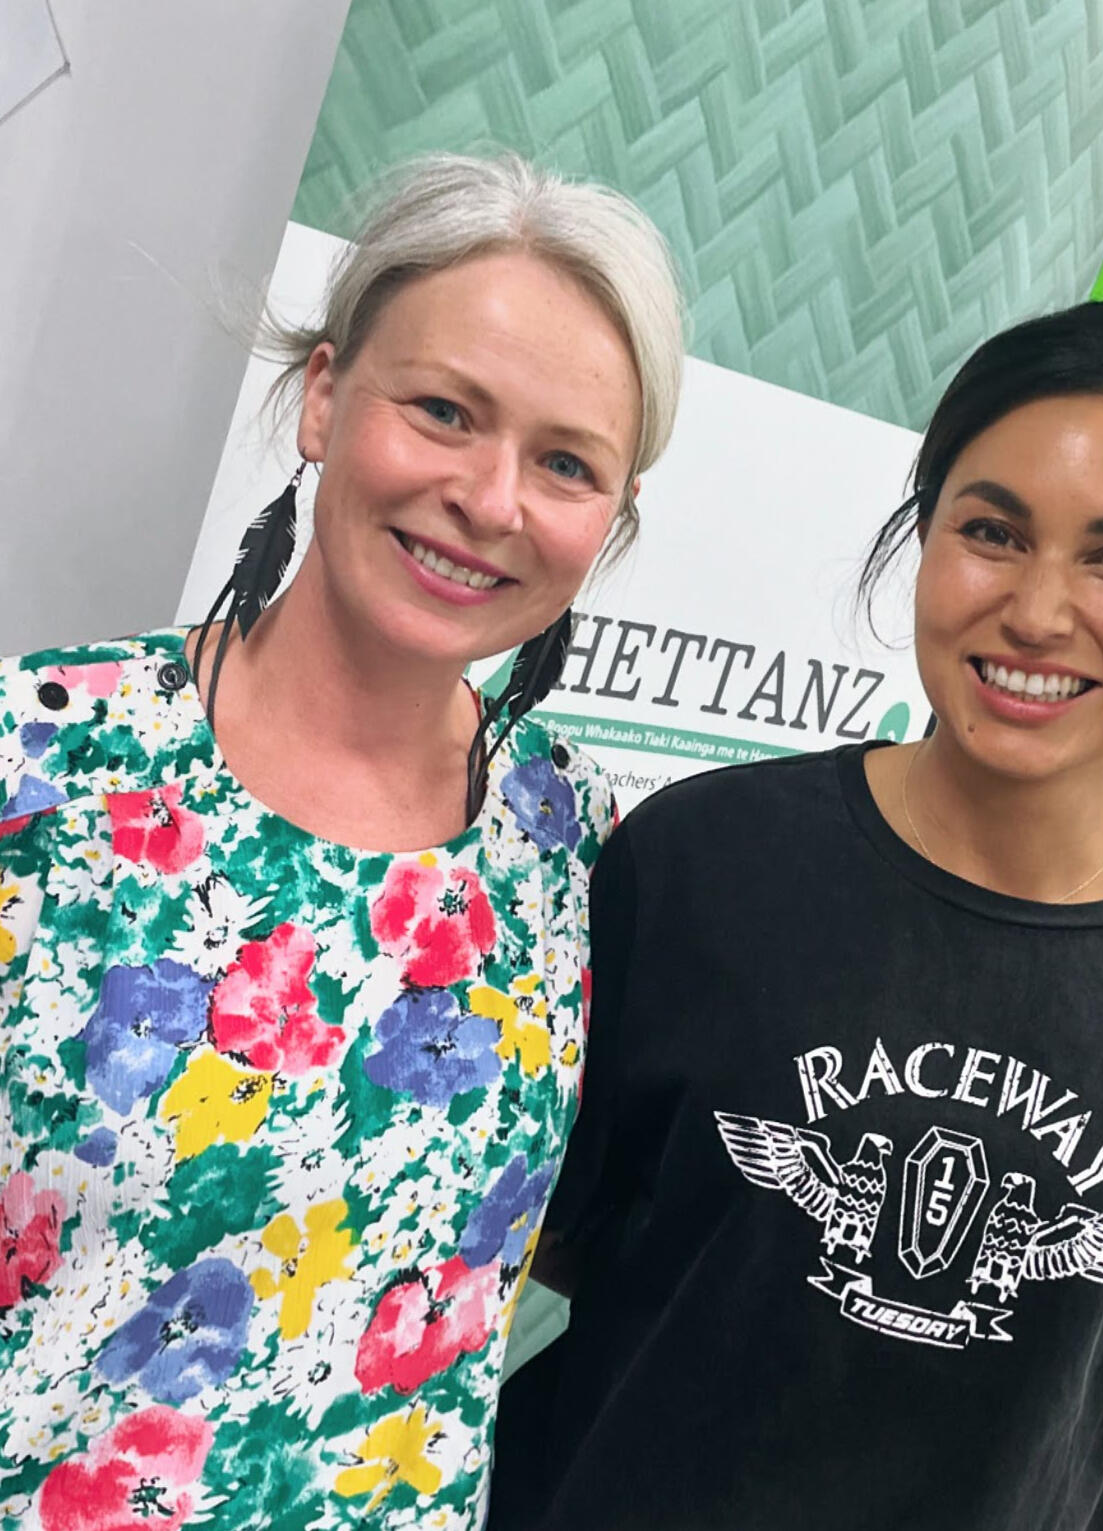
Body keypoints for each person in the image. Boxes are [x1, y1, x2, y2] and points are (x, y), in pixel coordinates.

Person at [487, 302, 1103, 1531]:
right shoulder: (698, 864)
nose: (1037, 611)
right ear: (926, 541)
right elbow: (534, 1240)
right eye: (992, 531)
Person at [0, 152, 683, 1529]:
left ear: (606, 527)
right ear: (322, 396)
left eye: (563, 463)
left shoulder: (585, 854)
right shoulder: (42, 757)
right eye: (443, 410)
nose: (490, 497)